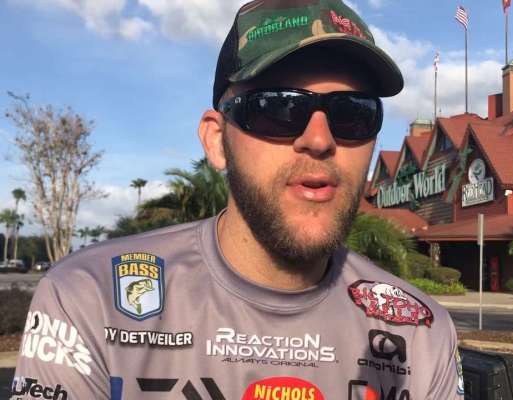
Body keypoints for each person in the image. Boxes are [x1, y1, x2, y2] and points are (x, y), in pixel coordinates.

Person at [11, 1, 464, 399]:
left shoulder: (420, 332)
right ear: (217, 140)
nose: (319, 139)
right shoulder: (90, 298)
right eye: (278, 108)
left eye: (353, 113)